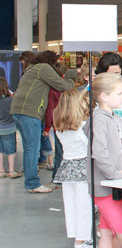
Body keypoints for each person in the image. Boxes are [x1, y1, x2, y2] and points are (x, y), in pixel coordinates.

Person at [11, 50, 75, 193]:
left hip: (18, 111)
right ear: (51, 61)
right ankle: (33, 184)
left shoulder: (31, 69)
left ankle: (31, 182)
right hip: (29, 112)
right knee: (32, 149)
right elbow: (62, 85)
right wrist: (72, 79)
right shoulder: (43, 68)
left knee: (29, 149)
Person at [90, 72, 122, 248]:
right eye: (119, 93)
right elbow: (99, 153)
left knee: (107, 232)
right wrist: (115, 174)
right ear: (103, 96)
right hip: (104, 187)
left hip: (118, 185)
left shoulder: (116, 118)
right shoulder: (98, 119)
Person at [52, 89, 93, 248]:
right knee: (84, 207)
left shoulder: (59, 127)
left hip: (66, 168)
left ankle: (78, 237)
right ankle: (81, 242)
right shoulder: (82, 126)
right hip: (83, 169)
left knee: (70, 206)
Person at [0, 78, 21, 179]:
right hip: (9, 128)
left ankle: (1, 170)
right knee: (10, 150)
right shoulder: (10, 100)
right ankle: (11, 171)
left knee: (0, 150)